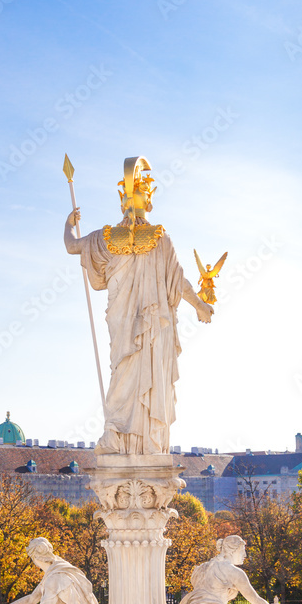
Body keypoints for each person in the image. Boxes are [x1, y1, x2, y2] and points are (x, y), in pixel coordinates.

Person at [65, 157, 215, 455]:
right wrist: (200, 306)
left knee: (123, 373)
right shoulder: (159, 239)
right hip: (154, 328)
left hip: (122, 326)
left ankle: (115, 434)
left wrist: (68, 223)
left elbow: (72, 245)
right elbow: (179, 282)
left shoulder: (107, 239)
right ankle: (148, 442)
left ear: (123, 202)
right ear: (149, 201)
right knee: (149, 378)